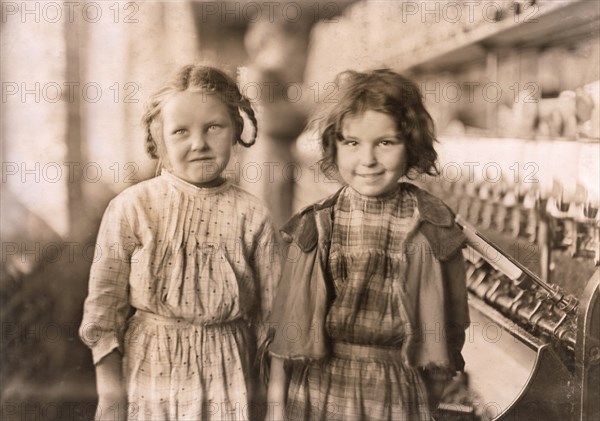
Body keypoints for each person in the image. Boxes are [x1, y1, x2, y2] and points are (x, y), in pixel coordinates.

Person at [265, 69, 470, 421]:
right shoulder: (315, 225)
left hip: (397, 388)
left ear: (411, 145)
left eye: (385, 143)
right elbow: (287, 333)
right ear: (334, 144)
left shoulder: (434, 226)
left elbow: (450, 330)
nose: (368, 159)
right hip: (322, 385)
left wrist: (428, 398)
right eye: (352, 142)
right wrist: (276, 410)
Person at [79, 65, 281, 421]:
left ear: (235, 129)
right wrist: (111, 400)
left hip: (229, 376)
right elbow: (103, 313)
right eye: (180, 131)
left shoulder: (253, 215)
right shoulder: (133, 208)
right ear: (158, 141)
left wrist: (275, 406)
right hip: (152, 373)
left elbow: (274, 322)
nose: (199, 143)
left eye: (213, 127)